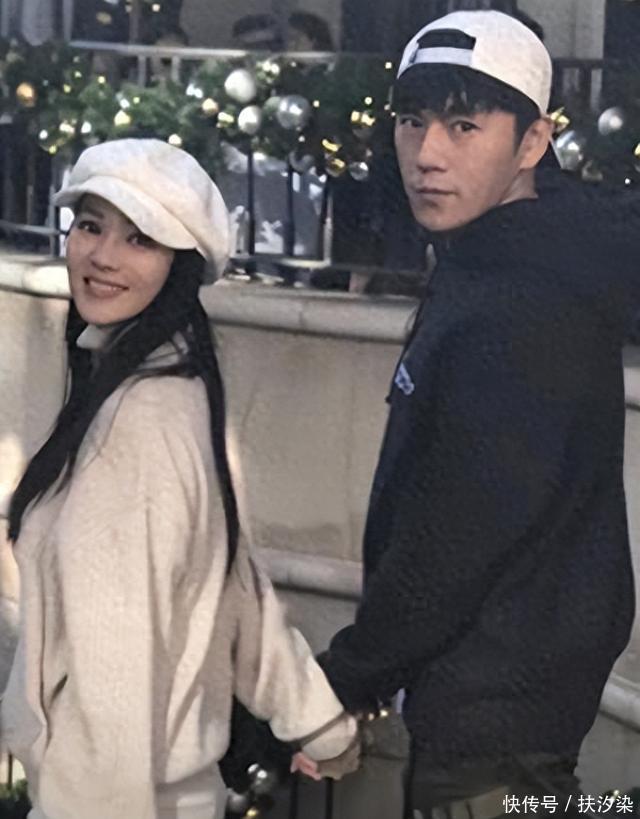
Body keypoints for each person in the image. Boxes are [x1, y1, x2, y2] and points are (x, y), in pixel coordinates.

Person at [304, 10, 640, 818]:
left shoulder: (526, 300)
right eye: (412, 121)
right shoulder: (491, 255)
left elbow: (456, 535)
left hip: (495, 728)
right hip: (485, 704)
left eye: (464, 126)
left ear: (532, 142)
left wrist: (343, 678)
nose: (428, 153)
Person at [0, 138, 358, 819]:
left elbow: (112, 682)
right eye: (90, 226)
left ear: (180, 266)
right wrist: (314, 719)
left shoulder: (138, 424)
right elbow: (230, 585)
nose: (103, 256)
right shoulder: (170, 385)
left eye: (140, 239)